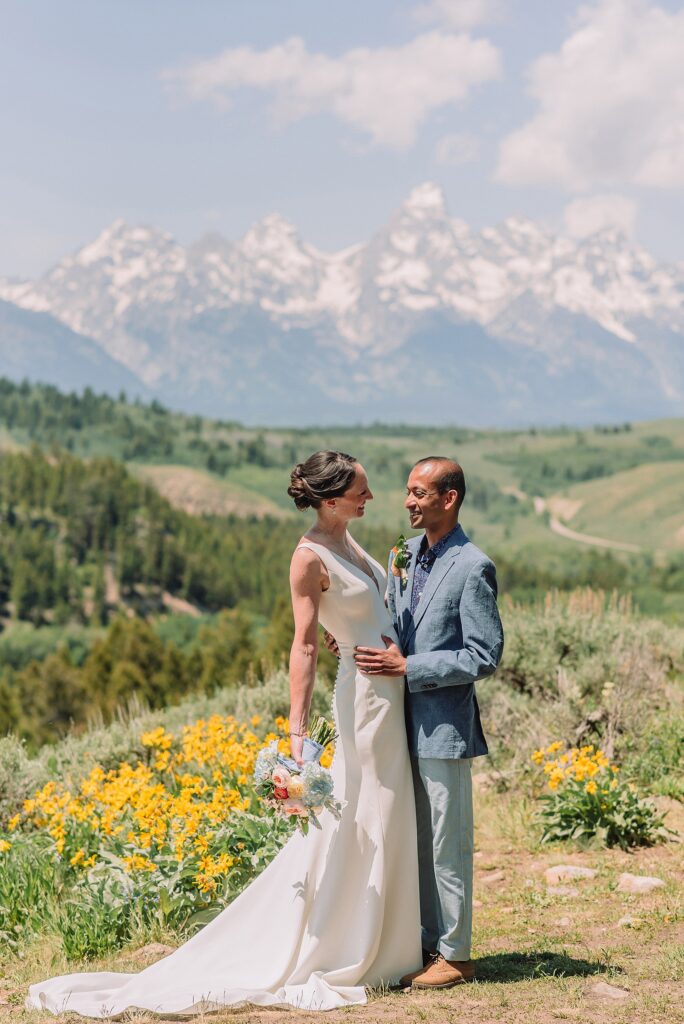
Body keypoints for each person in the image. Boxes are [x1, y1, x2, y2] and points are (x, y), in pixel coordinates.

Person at [27, 450, 422, 1017]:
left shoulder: (350, 542)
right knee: (367, 808)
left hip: (387, 687)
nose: (371, 496)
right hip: (362, 698)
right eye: (361, 489)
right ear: (330, 499)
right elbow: (304, 645)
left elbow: (359, 614)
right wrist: (295, 737)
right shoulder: (308, 557)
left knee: (382, 807)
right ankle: (354, 945)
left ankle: (390, 941)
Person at [352, 456, 504, 989]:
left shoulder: (473, 565)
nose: (409, 502)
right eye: (408, 492)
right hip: (395, 722)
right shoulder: (403, 553)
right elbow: (395, 620)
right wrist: (358, 640)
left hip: (443, 728)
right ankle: (424, 941)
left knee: (446, 840)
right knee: (412, 838)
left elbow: (483, 655)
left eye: (419, 493)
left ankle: (457, 954)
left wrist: (409, 667)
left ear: (449, 498)